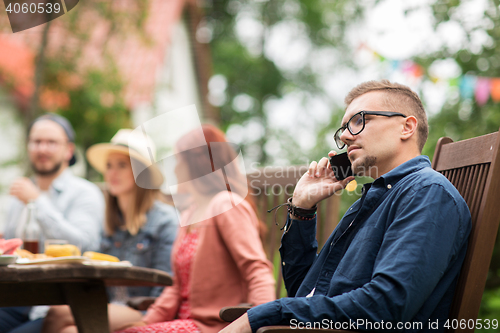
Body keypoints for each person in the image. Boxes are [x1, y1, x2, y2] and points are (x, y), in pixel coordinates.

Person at [221, 80, 472, 333]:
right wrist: (302, 208)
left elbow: (385, 306)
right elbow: (306, 292)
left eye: (359, 120)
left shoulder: (426, 193)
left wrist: (262, 315)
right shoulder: (373, 200)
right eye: (343, 127)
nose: (344, 135)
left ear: (406, 127)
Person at [114, 124, 276, 333]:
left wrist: (258, 322)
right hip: (185, 324)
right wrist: (147, 322)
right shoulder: (190, 213)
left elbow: (257, 270)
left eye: (179, 161)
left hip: (215, 327)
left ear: (197, 165)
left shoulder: (226, 204)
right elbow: (176, 287)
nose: (174, 169)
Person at [42, 129, 179, 333]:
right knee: (65, 327)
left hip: (144, 308)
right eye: (108, 166)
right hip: (110, 305)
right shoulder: (109, 221)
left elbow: (165, 287)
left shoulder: (164, 220)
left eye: (122, 165)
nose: (111, 173)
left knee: (57, 315)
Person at [0, 114, 104, 333]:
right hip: (16, 301)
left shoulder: (85, 193)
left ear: (68, 150)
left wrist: (37, 201)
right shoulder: (21, 194)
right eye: (37, 142)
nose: (42, 149)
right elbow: (11, 248)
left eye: (51, 142)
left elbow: (83, 244)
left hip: (62, 306)